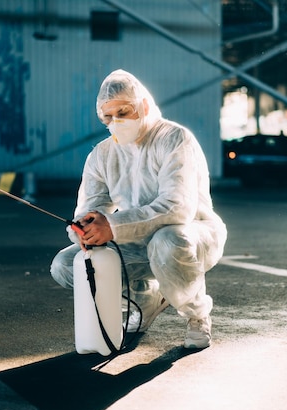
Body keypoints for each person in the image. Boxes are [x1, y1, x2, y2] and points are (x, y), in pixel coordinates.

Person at [50, 69, 227, 349]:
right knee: (67, 265)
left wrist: (113, 226)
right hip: (136, 237)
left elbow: (177, 207)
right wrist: (84, 230)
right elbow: (90, 208)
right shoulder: (103, 154)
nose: (116, 121)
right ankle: (144, 300)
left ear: (144, 105)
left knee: (168, 241)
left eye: (124, 111)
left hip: (191, 233)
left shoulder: (174, 138)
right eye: (109, 117)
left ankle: (197, 315)